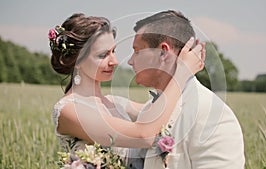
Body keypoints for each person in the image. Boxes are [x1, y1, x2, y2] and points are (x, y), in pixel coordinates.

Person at [49, 13, 204, 164]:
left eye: (113, 51)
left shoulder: (115, 103)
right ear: (76, 61)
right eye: (103, 55)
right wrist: (182, 73)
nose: (114, 61)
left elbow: (169, 114)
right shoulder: (69, 110)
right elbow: (144, 135)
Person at [126, 10, 245, 169]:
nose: (130, 61)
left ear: (163, 52)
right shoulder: (149, 110)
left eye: (137, 51)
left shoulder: (212, 115)